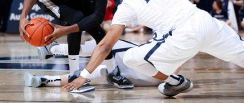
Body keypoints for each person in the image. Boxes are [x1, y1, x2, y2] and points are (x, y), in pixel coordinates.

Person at [63, 0, 244, 97]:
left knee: (131, 58)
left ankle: (175, 81)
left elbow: (105, 45)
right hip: (205, 21)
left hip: (181, 36)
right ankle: (175, 79)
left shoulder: (127, 4)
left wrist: (84, 76)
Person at [19, 0, 133, 90]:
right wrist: (23, 17)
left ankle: (112, 72)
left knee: (98, 30)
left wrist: (67, 30)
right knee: (76, 19)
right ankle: (74, 75)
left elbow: (98, 16)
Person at [24, 38, 166, 90]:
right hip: (144, 76)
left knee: (101, 45)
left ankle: (52, 49)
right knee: (97, 72)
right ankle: (45, 80)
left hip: (137, 60)